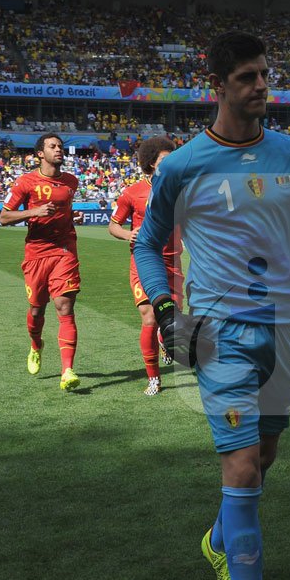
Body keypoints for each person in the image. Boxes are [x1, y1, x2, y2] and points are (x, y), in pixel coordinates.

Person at [133, 31, 290, 580]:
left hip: (285, 327)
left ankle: (218, 540)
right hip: (219, 333)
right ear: (217, 85)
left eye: (264, 74)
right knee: (241, 468)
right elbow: (148, 244)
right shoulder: (182, 165)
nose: (261, 86)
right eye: (247, 77)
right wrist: (165, 309)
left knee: (264, 458)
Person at [0, 133, 84, 391]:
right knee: (37, 310)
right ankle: (36, 345)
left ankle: (67, 370)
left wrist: (73, 216)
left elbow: (64, 211)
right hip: (36, 253)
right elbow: (3, 217)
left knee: (64, 306)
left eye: (60, 146)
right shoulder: (26, 182)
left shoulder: (71, 181)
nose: (59, 150)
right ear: (40, 154)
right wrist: (33, 211)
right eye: (52, 146)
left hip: (64, 249)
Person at [108, 136, 183, 395]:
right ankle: (154, 378)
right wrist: (127, 234)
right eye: (165, 159)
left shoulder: (181, 190)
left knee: (172, 319)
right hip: (144, 260)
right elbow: (113, 226)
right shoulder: (133, 192)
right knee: (150, 317)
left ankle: (165, 338)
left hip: (172, 262)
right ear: (152, 163)